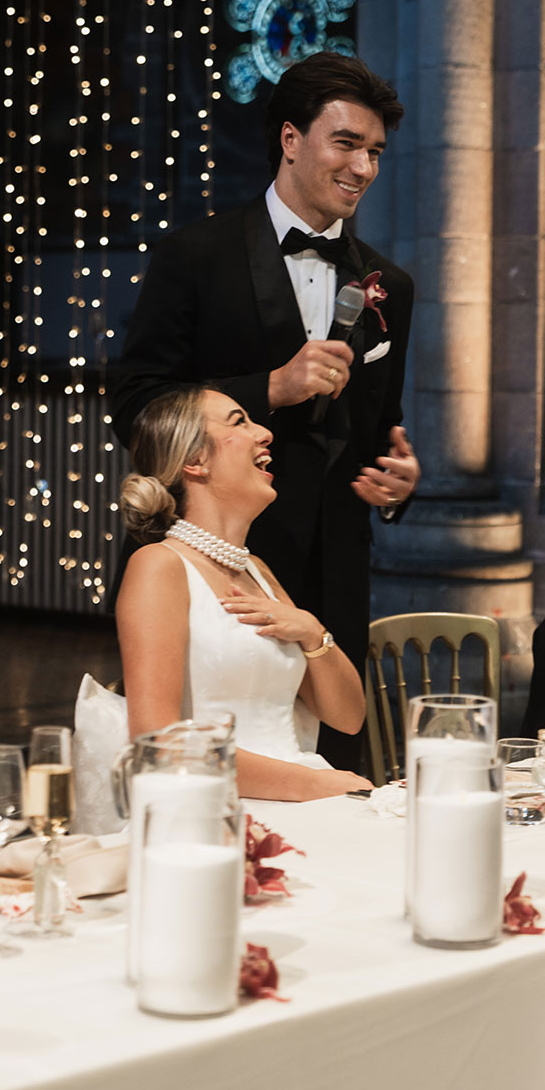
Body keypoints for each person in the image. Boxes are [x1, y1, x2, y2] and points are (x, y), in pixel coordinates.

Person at [110, 51, 419, 767]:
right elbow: (133, 404)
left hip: (330, 574)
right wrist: (268, 389)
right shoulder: (195, 254)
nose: (363, 169)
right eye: (346, 144)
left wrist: (398, 484)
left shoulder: (389, 287)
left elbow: (374, 434)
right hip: (205, 572)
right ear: (291, 139)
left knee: (337, 764)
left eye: (374, 152)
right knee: (190, 764)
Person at [116, 384, 371, 798]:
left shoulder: (257, 572)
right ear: (195, 460)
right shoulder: (158, 567)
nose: (265, 433)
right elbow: (160, 743)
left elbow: (348, 717)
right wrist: (317, 784)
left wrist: (311, 631)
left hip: (297, 794)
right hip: (214, 805)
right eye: (240, 421)